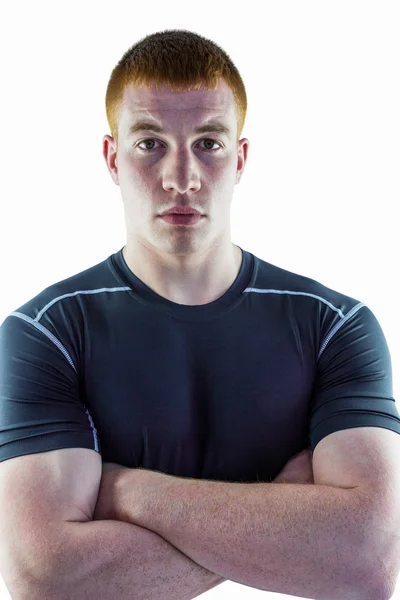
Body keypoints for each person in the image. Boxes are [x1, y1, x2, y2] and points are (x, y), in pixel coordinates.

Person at [0, 28, 399, 598]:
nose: (180, 178)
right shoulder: (46, 333)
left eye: (208, 144)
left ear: (239, 159)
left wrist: (130, 492)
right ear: (112, 157)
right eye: (150, 143)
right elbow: (47, 577)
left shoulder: (334, 327)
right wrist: (289, 526)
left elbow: (367, 562)